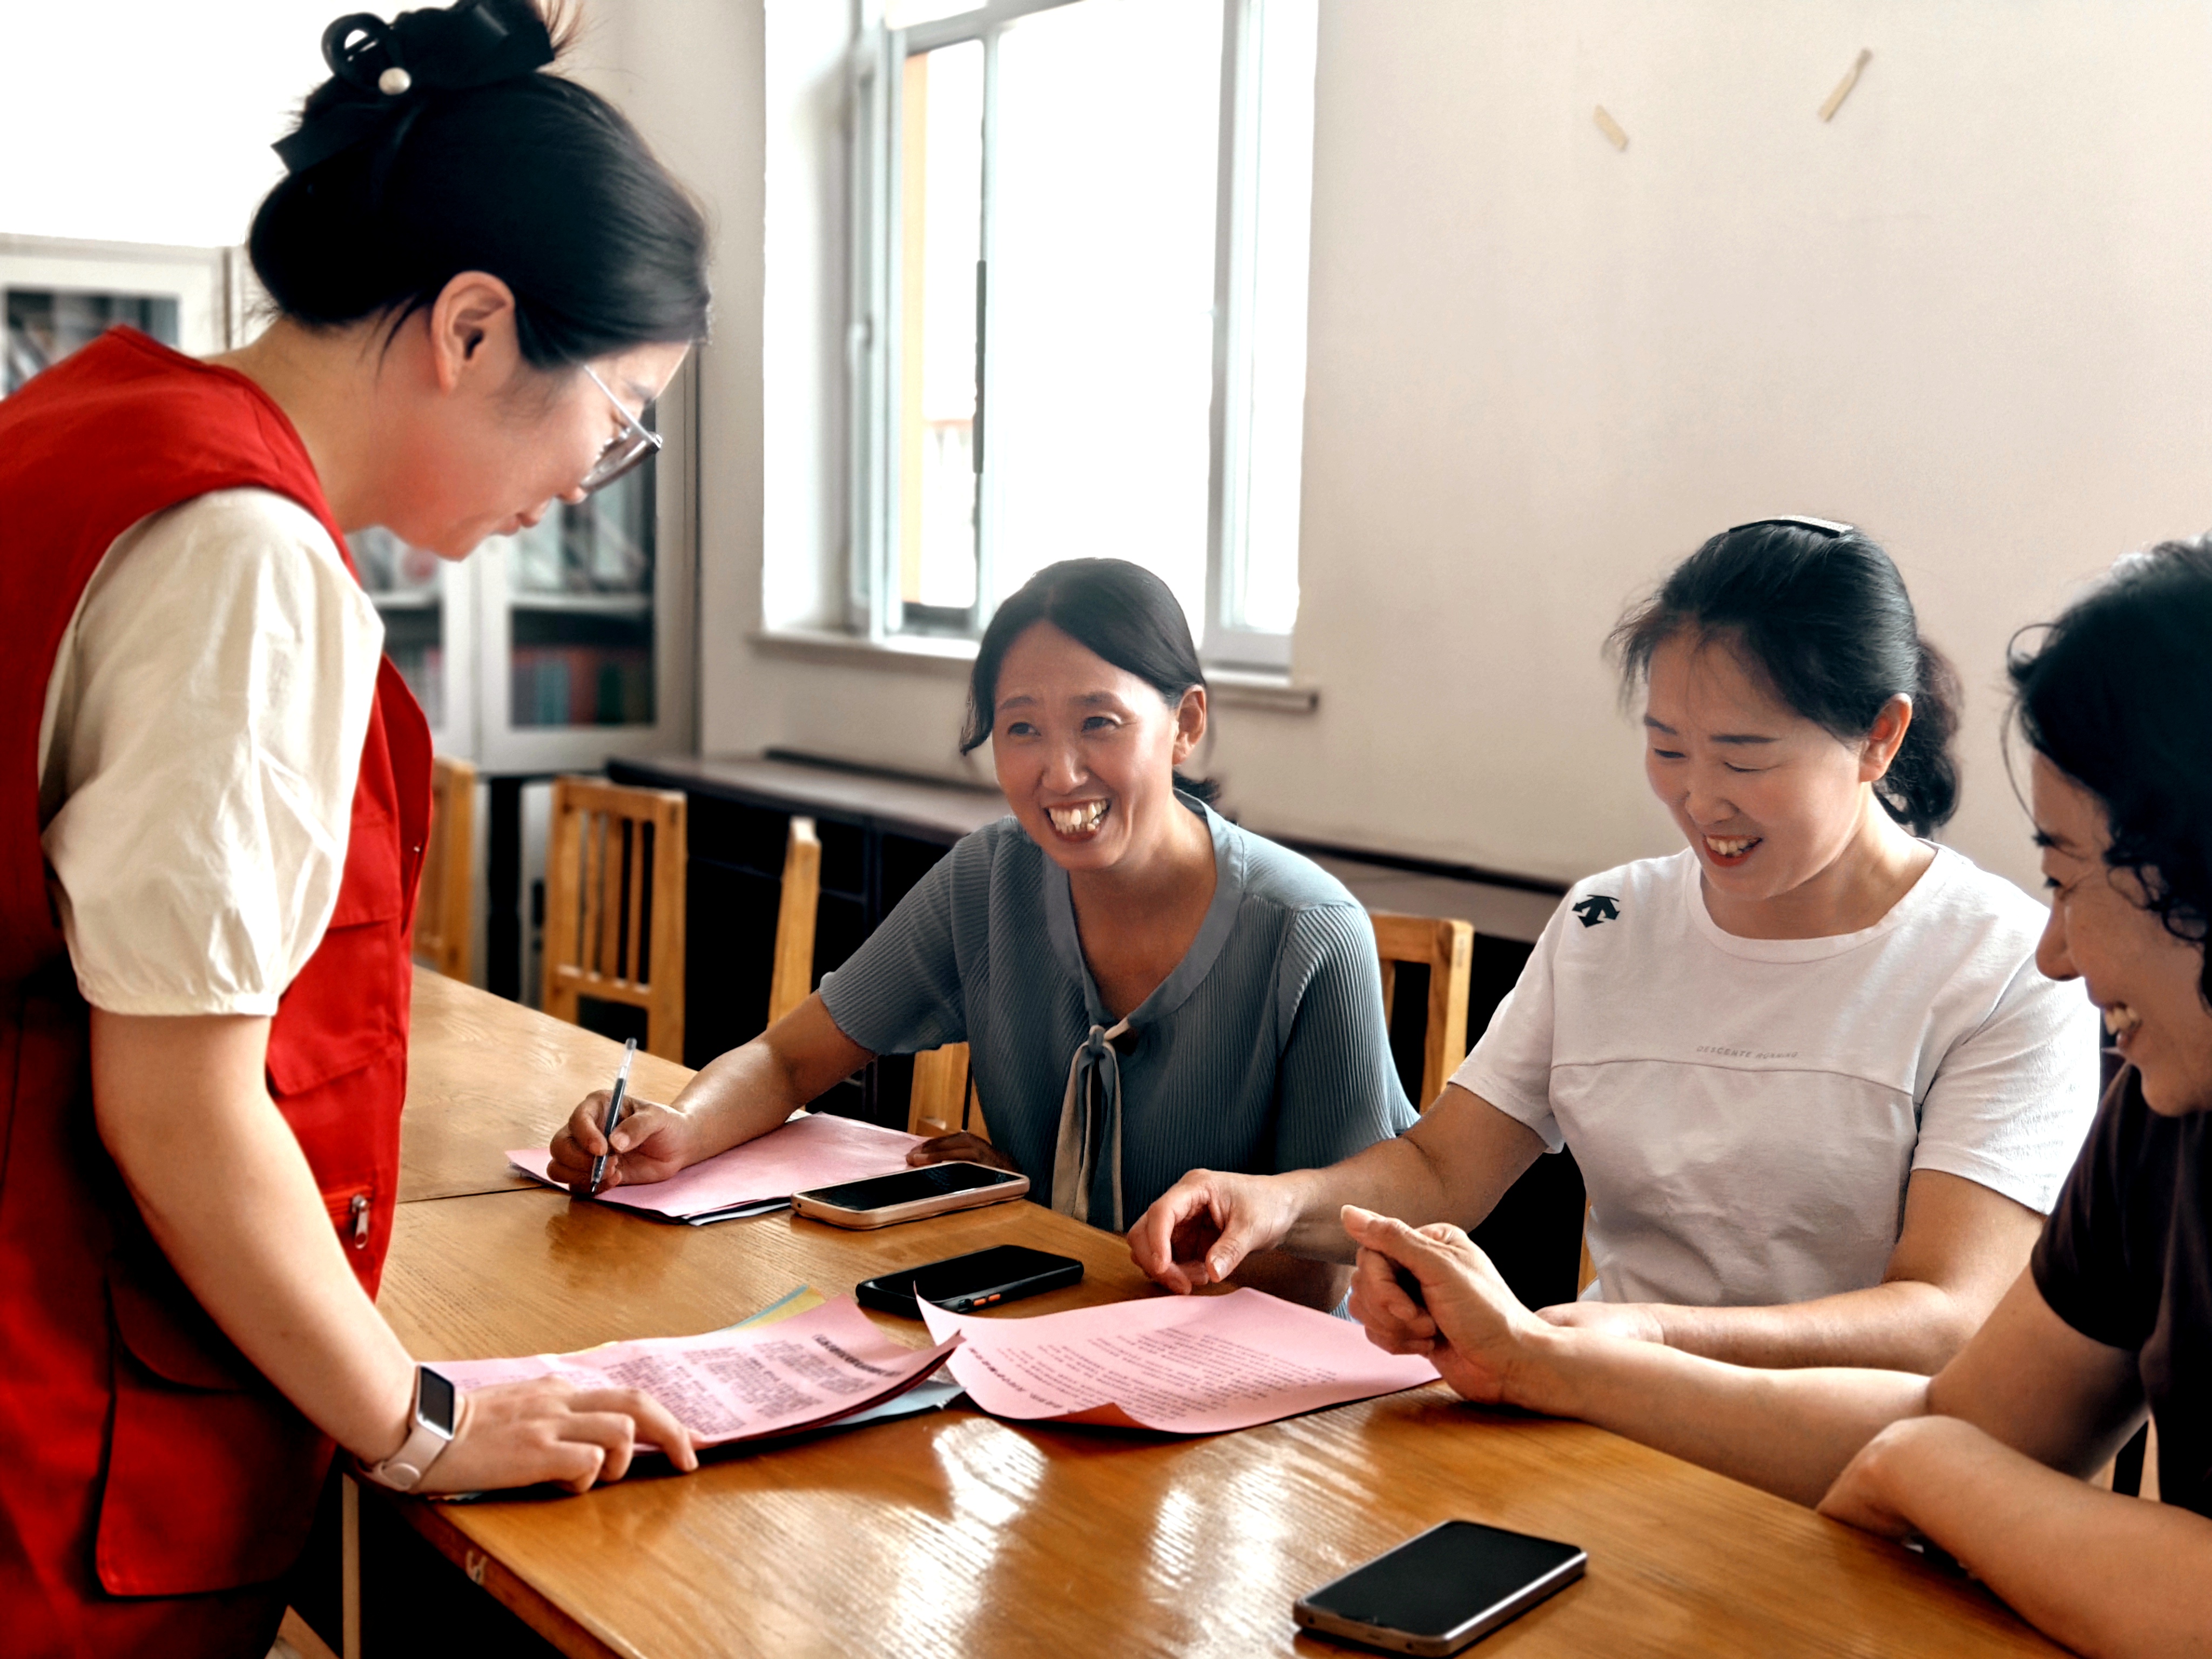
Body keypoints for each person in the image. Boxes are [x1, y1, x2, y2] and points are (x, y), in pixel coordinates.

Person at [1, 4, 712, 1651]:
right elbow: (181, 1107)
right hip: (64, 1424)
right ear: (474, 327)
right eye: (617, 417)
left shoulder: (85, 420)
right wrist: (421, 1422)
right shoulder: (243, 552)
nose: (591, 478)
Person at [1340, 539, 2212, 1655]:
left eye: (2070, 880)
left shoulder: (1993, 965)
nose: (2056, 951)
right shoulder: (2157, 1117)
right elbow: (1968, 1422)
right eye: (1668, 746)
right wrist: (1538, 1364)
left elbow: (1944, 1409)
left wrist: (1922, 1469)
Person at [1132, 518, 2101, 1374]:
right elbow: (1440, 1171)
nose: (1700, 798)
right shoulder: (1610, 922)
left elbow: (1944, 1318)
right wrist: (1273, 1205)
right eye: (1669, 748)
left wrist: (1636, 1337)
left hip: (1843, 1472)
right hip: (1600, 1415)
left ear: (1881, 736)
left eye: (1745, 756)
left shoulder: (2003, 965)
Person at [552, 558, 1414, 1304]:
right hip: (1034, 1324)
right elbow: (789, 1060)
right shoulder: (987, 880)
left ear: (1186, 723)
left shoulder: (1309, 933)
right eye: (1021, 728)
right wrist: (680, 1128)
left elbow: (1323, 1271)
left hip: (1249, 1393)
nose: (1059, 773)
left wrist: (1054, 1227)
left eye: (1100, 722)